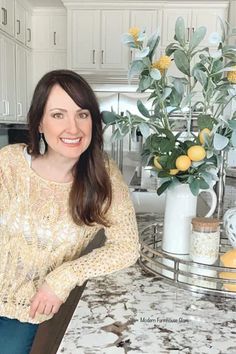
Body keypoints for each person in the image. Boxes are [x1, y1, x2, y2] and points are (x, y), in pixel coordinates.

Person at [0, 69, 140, 354]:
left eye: (82, 114)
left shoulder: (104, 178)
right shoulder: (10, 163)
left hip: (25, 313)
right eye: (58, 115)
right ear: (39, 122)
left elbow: (127, 247)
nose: (73, 128)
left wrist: (61, 280)